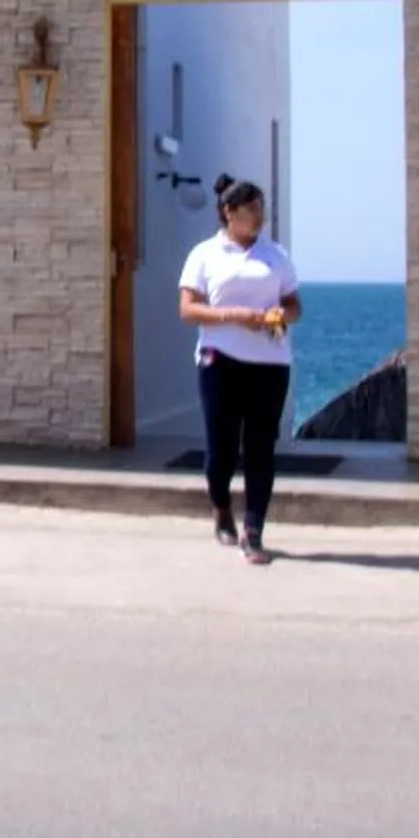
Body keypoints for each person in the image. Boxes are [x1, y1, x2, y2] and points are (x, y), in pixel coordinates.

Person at [178, 175, 303, 563]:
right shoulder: (204, 254)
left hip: (270, 363)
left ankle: (254, 530)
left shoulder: (276, 255)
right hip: (220, 360)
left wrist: (279, 315)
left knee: (261, 448)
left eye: (261, 208)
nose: (259, 216)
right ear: (229, 213)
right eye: (251, 209)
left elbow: (295, 305)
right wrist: (234, 315)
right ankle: (221, 510)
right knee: (222, 449)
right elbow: (188, 310)